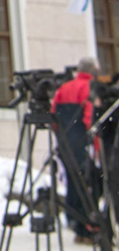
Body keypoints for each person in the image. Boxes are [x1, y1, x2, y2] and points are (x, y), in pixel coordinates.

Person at [52, 56, 99, 243]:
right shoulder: (88, 88)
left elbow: (53, 115)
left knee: (73, 182)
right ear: (93, 71)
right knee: (91, 184)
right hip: (81, 144)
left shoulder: (63, 88)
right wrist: (96, 146)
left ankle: (74, 221)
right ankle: (87, 226)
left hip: (65, 144)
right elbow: (90, 118)